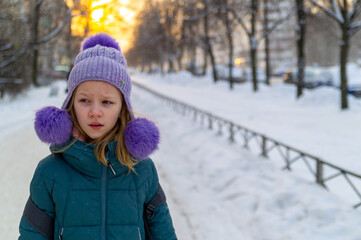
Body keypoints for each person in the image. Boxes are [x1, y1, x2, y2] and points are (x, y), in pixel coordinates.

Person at [18, 33, 177, 240]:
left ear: (123, 108)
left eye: (106, 102)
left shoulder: (142, 170)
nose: (95, 112)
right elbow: (33, 235)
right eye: (84, 100)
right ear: (71, 104)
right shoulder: (50, 172)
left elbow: (163, 233)